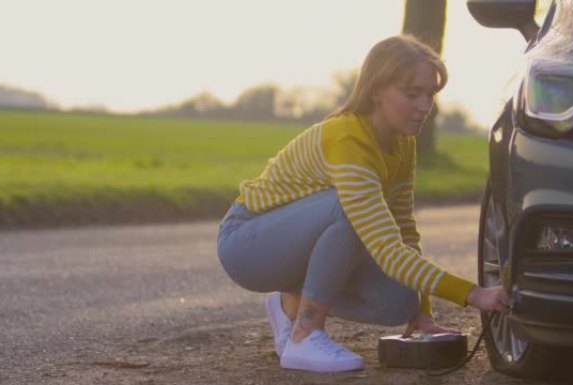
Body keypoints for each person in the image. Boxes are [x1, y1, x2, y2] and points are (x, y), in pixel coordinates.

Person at [216, 34, 510, 373]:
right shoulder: (348, 137)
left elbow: (403, 232)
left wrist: (423, 313)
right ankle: (304, 335)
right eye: (411, 94)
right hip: (246, 245)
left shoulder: (402, 145)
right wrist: (475, 295)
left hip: (291, 250)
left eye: (429, 94)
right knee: (349, 210)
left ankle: (288, 307)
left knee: (400, 301)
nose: (424, 106)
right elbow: (385, 249)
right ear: (375, 91)